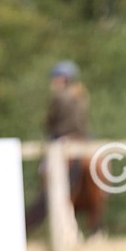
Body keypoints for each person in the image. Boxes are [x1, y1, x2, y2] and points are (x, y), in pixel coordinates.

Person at [26, 61, 91, 229]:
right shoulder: (81, 95)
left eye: (57, 78)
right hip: (83, 138)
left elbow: (51, 121)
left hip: (63, 139)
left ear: (64, 79)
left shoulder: (58, 96)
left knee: (46, 168)